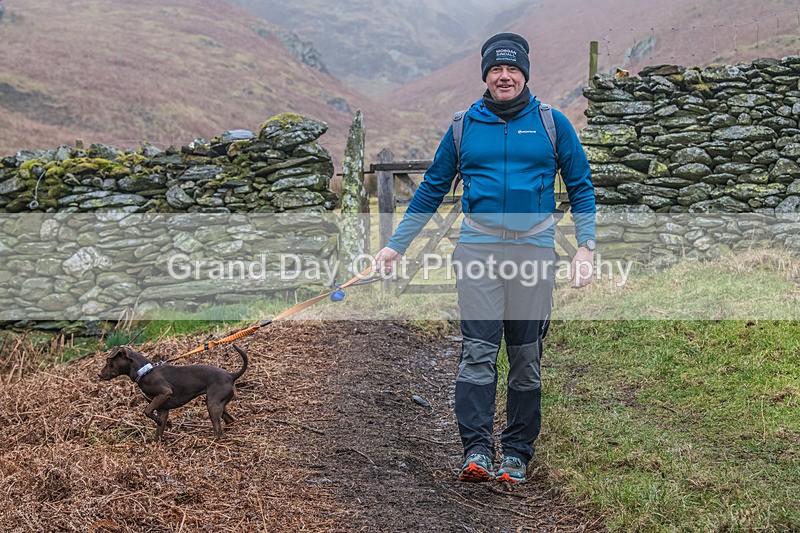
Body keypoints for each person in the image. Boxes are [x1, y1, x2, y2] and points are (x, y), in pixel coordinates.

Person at [373, 32, 596, 484]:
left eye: (512, 69)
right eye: (496, 69)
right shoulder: (463, 127)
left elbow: (582, 188)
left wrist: (586, 247)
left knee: (526, 356)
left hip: (533, 251)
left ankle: (516, 452)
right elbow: (432, 188)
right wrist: (396, 245)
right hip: (477, 251)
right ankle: (476, 450)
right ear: (485, 76)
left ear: (525, 74)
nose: (505, 76)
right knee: (478, 352)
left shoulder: (554, 124)